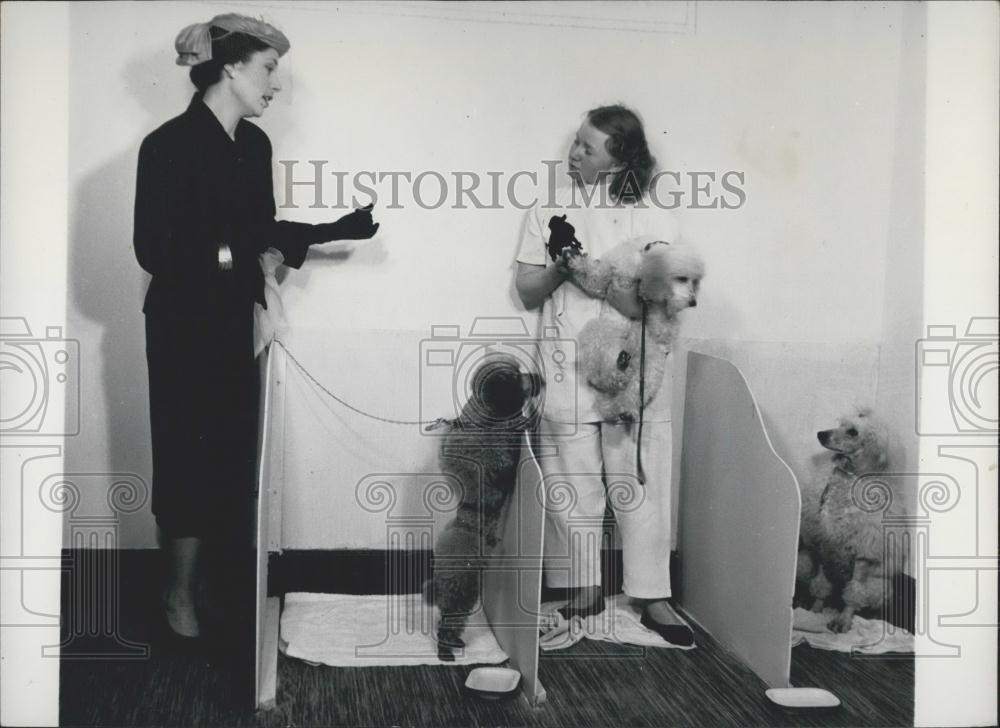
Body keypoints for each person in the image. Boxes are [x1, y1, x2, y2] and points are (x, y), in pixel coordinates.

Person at [134, 13, 379, 644]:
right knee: (187, 457)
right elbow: (154, 250)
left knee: (229, 454)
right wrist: (228, 256)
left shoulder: (255, 147)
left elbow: (257, 232)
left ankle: (212, 587)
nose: (275, 86)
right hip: (182, 327)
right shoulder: (166, 145)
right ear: (233, 66)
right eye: (269, 70)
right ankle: (178, 593)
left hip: (231, 320)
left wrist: (332, 231)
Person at [515, 105, 693, 645]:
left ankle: (651, 594)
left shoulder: (656, 220)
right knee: (572, 484)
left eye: (587, 148)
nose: (573, 154)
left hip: (631, 371)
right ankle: (583, 587)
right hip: (566, 366)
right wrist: (561, 264)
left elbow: (657, 301)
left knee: (637, 482)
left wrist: (593, 277)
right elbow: (526, 289)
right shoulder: (547, 208)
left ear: (618, 160)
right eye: (575, 142)